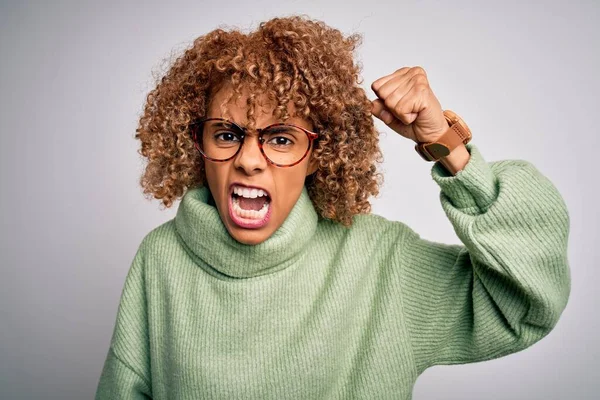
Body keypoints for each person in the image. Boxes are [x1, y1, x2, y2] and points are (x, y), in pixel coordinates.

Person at [95, 15, 571, 400]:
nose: (247, 160)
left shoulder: (381, 262)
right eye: (227, 134)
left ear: (319, 157)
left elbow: (525, 303)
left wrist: (444, 143)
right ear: (194, 140)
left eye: (281, 138)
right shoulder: (162, 260)